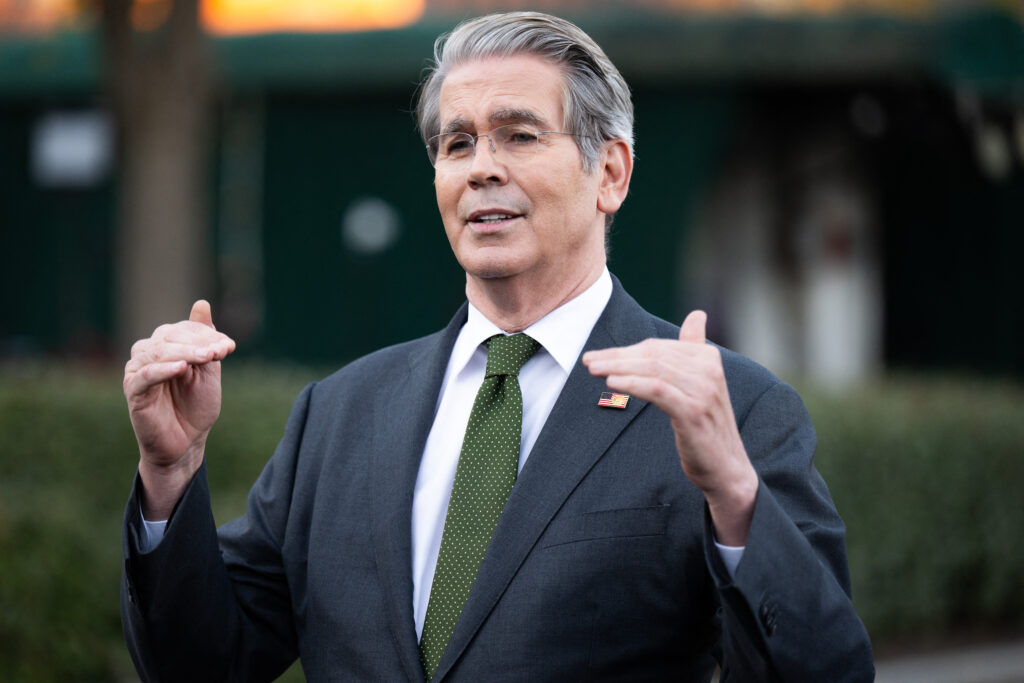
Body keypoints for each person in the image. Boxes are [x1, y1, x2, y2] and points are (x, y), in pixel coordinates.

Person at [120, 11, 874, 682]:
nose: (482, 166)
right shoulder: (340, 412)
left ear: (609, 172)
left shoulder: (730, 406)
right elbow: (200, 663)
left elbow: (825, 666)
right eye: (458, 143)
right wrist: (171, 471)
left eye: (518, 134)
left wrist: (736, 500)